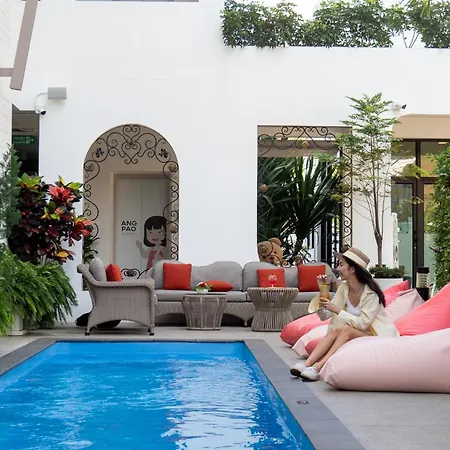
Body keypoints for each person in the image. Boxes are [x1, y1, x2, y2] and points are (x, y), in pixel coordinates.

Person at [290, 247, 399, 381]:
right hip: (355, 332)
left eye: (341, 265)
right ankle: (306, 365)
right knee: (336, 330)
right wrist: (323, 289)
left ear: (352, 269)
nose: (337, 268)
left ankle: (317, 368)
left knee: (346, 330)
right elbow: (325, 316)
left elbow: (363, 324)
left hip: (377, 336)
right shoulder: (344, 288)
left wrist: (337, 309)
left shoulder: (371, 294)